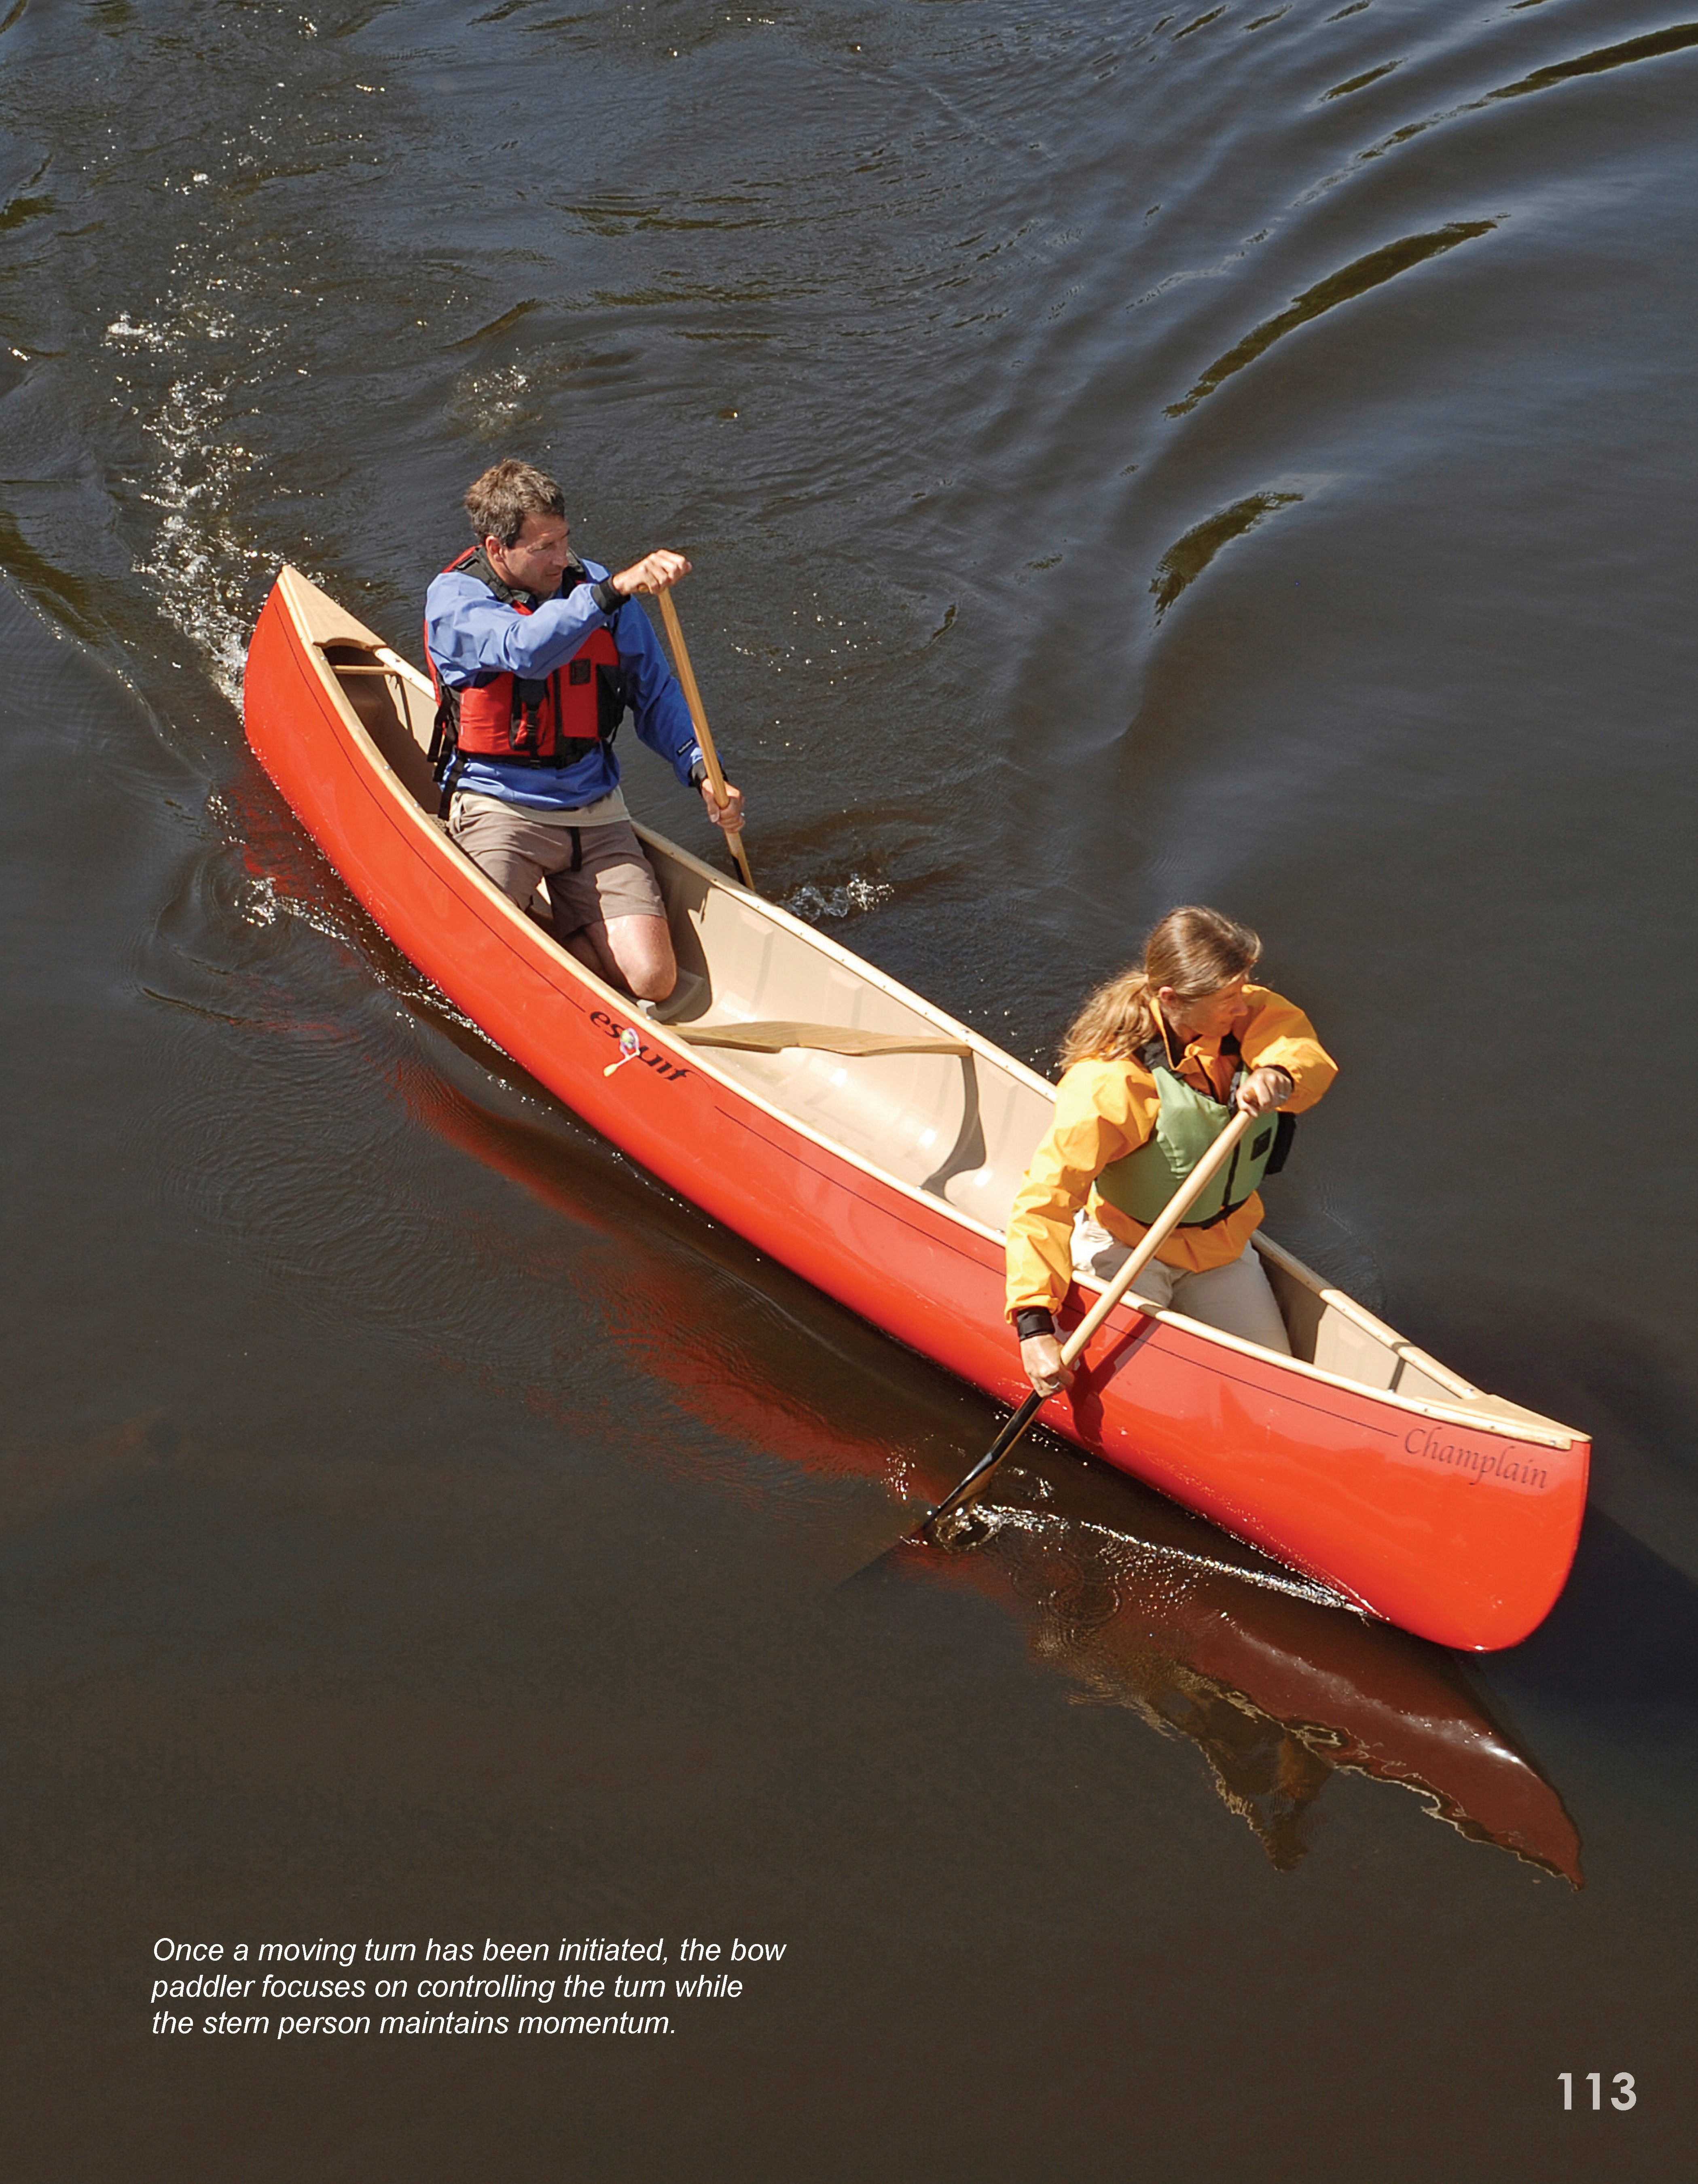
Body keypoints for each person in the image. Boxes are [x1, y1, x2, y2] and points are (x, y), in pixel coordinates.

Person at [423, 458, 745, 1003]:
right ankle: (535, 938)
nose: (560, 558)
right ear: (497, 549)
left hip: (593, 809)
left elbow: (655, 690)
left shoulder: (595, 589)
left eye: (563, 540)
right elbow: (524, 650)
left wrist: (699, 768)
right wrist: (612, 590)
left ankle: (562, 939)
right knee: (485, 952)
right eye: (542, 548)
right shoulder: (455, 601)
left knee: (654, 980)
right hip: (501, 805)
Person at [1006, 905, 1337, 1396]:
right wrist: (1033, 1327)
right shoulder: (1110, 1084)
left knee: (1274, 1387)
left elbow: (1296, 1044)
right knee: (1133, 1389)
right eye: (1228, 997)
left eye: (1242, 988)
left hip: (1220, 1247)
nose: (1242, 1006)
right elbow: (1045, 1200)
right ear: (1171, 999)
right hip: (1127, 1249)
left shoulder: (1244, 1018)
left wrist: (1279, 1075)